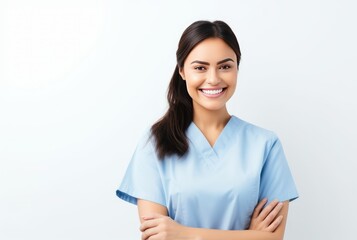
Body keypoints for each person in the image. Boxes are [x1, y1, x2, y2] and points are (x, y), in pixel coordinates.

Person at [116, 20, 298, 240]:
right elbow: (158, 237)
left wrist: (184, 234)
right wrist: (249, 236)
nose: (213, 79)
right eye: (200, 67)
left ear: (237, 68)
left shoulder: (266, 145)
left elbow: (272, 238)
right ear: (182, 70)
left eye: (225, 66)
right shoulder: (155, 142)